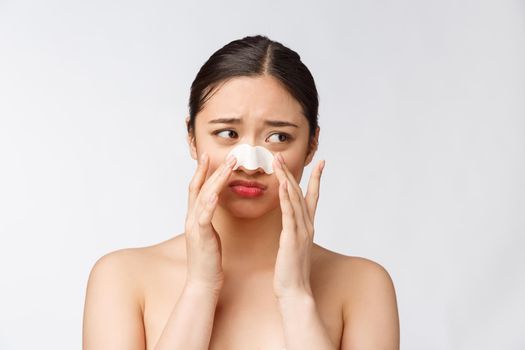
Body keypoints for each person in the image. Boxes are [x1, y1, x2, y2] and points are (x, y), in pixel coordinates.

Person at [82, 34, 400, 350]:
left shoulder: (363, 286)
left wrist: (296, 296)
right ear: (192, 137)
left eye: (278, 137)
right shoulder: (122, 279)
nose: (250, 164)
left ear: (311, 145)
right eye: (227, 133)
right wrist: (200, 287)